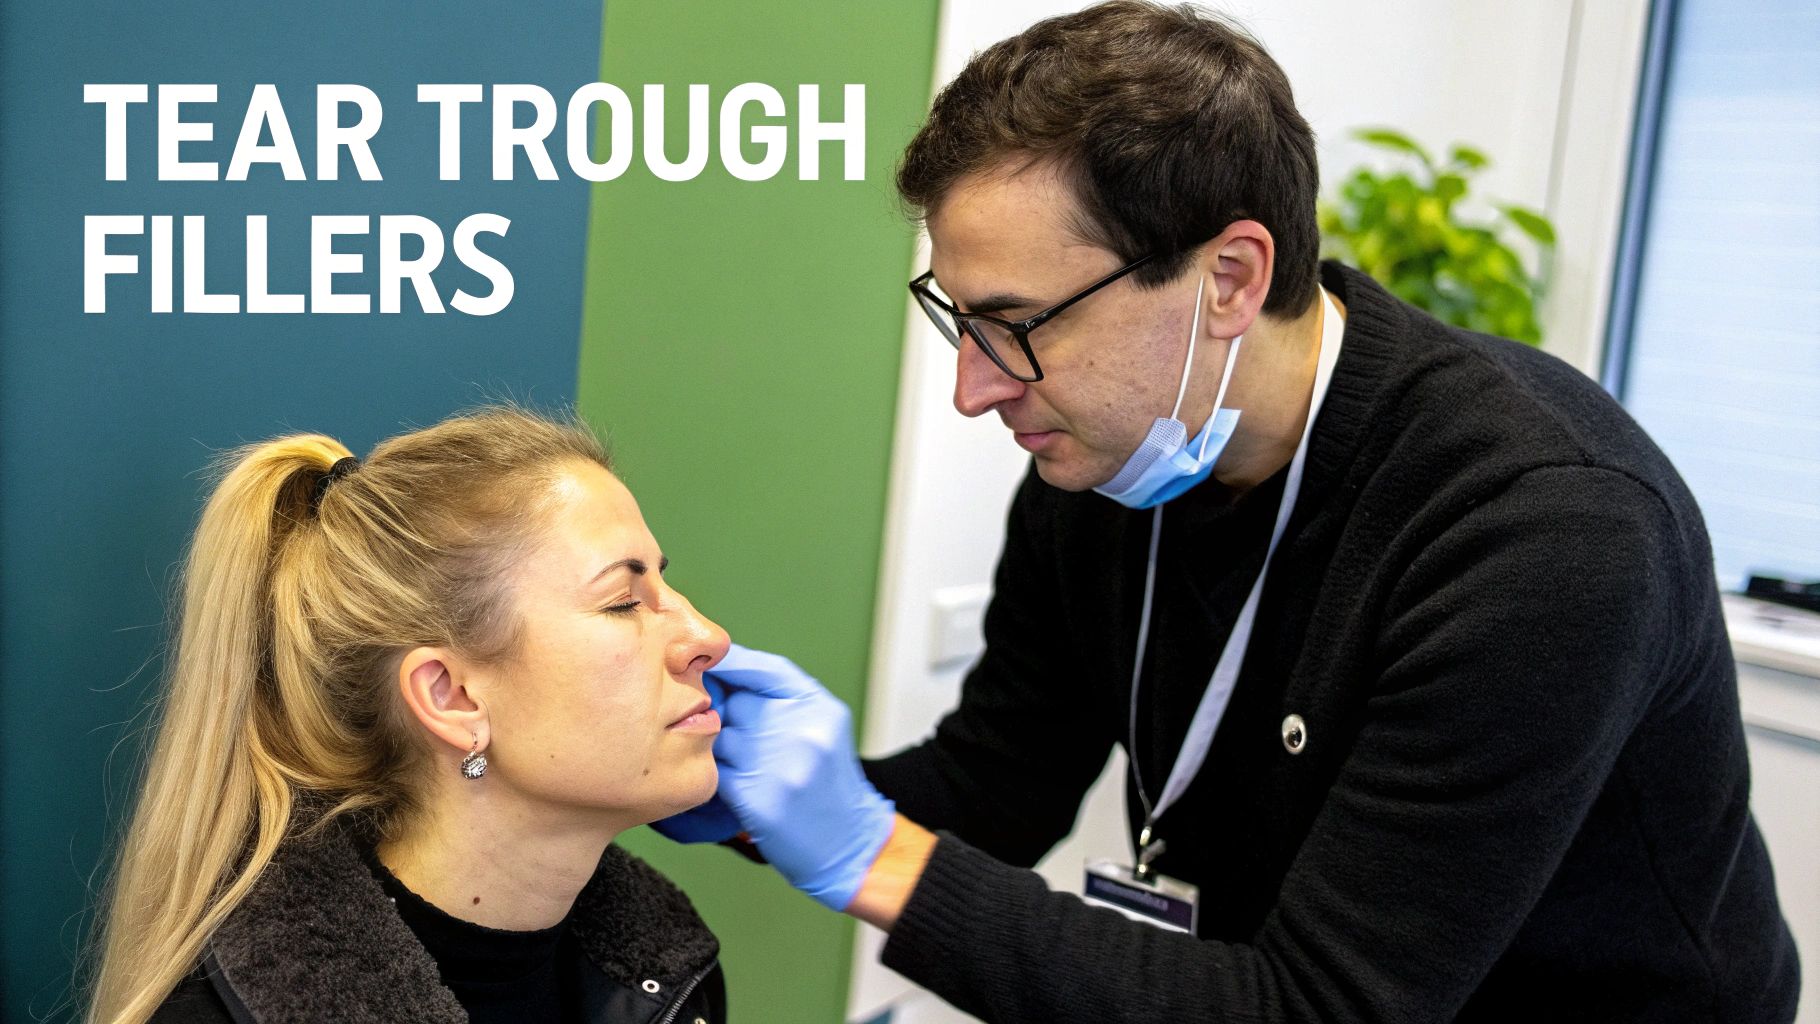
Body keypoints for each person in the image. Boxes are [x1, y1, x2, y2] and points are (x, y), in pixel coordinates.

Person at [658, 2, 1802, 1021]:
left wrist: (868, 854)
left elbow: (1323, 1002)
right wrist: (739, 784)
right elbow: (1000, 787)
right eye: (957, 319)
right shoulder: (1102, 465)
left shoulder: (1541, 532)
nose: (975, 386)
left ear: (1228, 278)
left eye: (1016, 324)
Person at [90, 408, 732, 1024]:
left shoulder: (665, 975)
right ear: (452, 697)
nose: (708, 636)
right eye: (624, 601)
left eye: (665, 586)